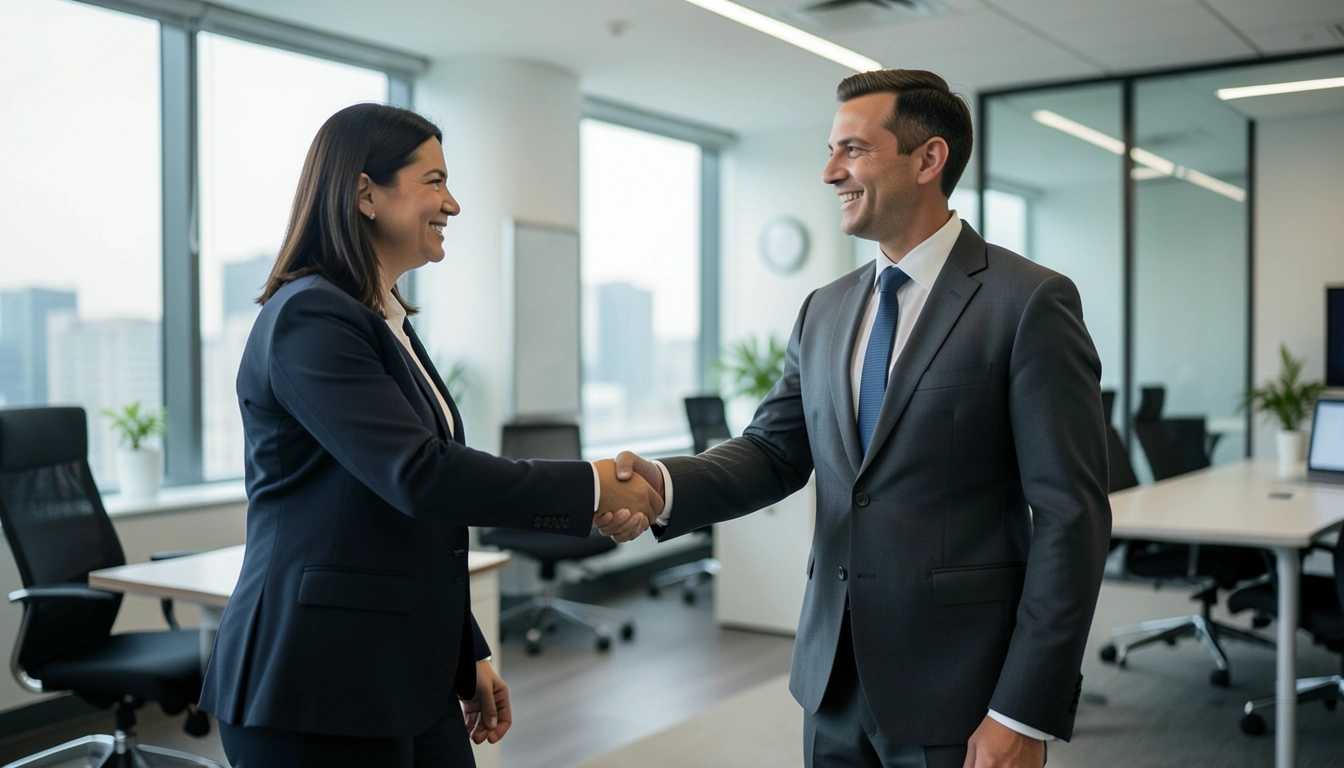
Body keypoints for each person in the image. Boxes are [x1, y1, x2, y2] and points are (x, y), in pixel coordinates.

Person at [600, 70, 1111, 768]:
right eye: (830, 149)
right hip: (832, 682)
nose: (829, 171)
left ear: (928, 160)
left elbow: (1070, 518)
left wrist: (1021, 709)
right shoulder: (826, 309)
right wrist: (661, 484)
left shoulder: (1027, 303)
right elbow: (772, 452)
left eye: (852, 150)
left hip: (962, 689)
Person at [197, 103, 657, 768]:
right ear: (364, 193)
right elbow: (420, 475)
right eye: (435, 181)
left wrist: (466, 652)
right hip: (314, 680)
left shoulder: (384, 323)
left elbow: (405, 519)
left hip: (405, 668)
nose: (455, 204)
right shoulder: (311, 318)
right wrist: (591, 485)